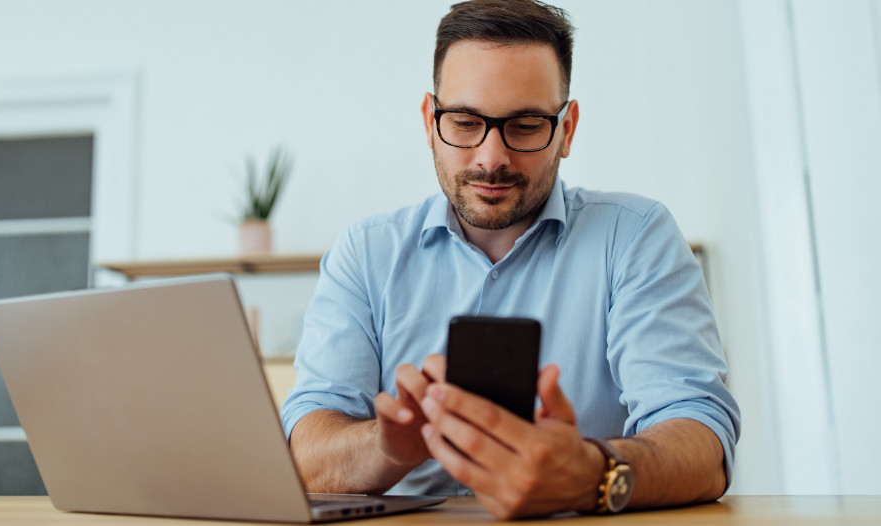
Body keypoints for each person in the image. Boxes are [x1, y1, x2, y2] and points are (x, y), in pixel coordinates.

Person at [279, 0, 740, 519]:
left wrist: (590, 473)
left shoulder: (634, 237)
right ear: (431, 122)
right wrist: (387, 447)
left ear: (566, 130)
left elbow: (703, 444)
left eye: (524, 125)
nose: (490, 157)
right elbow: (306, 455)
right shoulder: (365, 254)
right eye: (465, 121)